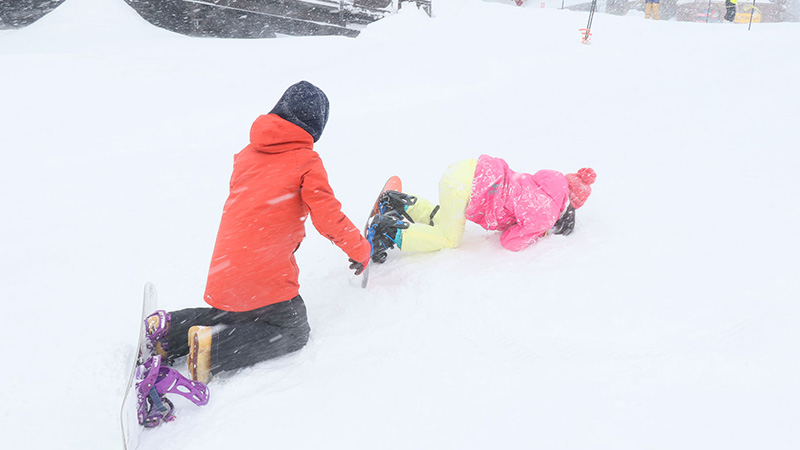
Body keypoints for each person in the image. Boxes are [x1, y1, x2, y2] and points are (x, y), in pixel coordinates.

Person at [145, 81, 372, 384]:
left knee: (232, 315)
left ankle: (169, 330)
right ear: (316, 127)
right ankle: (212, 352)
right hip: (263, 271)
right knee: (293, 329)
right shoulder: (306, 161)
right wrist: (361, 250)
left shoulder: (246, 155)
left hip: (226, 266)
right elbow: (328, 218)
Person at [366, 155, 596, 260]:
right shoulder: (545, 213)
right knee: (449, 239)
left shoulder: (541, 183)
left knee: (446, 220)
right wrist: (538, 234)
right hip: (469, 186)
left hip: (466, 169)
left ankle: (397, 201)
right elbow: (510, 243)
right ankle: (389, 230)